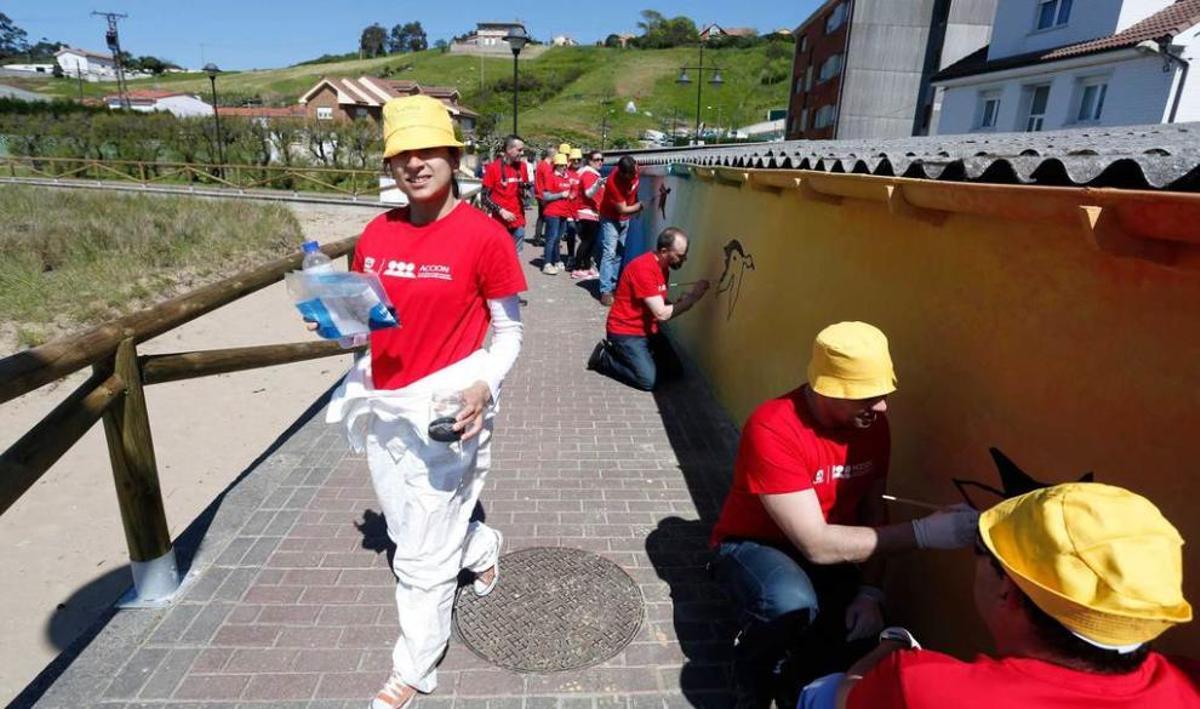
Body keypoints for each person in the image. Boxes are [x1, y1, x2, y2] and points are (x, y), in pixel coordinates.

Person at [321, 95, 528, 709]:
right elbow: (369, 327)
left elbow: (509, 332)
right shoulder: (376, 234)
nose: (414, 164)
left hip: (447, 404)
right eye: (400, 155)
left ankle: (413, 669)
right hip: (382, 399)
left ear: (453, 156)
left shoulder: (485, 236)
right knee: (409, 522)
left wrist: (483, 384)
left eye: (427, 151)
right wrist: (337, 324)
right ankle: (483, 548)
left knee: (418, 552)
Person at [708, 322, 980, 708]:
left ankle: (794, 668)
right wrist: (924, 533)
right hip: (754, 544)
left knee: (857, 639)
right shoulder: (773, 426)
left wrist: (871, 592)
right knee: (790, 602)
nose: (882, 405)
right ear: (825, 389)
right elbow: (816, 545)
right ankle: (749, 680)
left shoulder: (872, 425)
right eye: (867, 396)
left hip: (829, 546)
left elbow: (874, 508)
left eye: (883, 392)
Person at [800, 482, 1199, 708]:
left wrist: (891, 647)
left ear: (1008, 588)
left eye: (981, 549)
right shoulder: (1188, 685)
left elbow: (845, 697)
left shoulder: (923, 688)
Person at [586, 227, 709, 390]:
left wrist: (677, 302)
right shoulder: (644, 268)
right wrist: (693, 298)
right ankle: (604, 358)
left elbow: (658, 301)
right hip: (625, 332)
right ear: (664, 251)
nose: (684, 259)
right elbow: (661, 314)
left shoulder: (663, 267)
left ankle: (639, 357)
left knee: (675, 371)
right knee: (647, 381)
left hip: (648, 330)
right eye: (680, 255)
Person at [597, 155, 644, 307]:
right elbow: (622, 208)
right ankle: (605, 291)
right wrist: (640, 206)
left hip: (625, 219)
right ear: (622, 173)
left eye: (633, 173)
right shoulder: (613, 182)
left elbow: (633, 191)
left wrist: (636, 202)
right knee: (609, 252)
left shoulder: (635, 170)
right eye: (629, 175)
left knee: (619, 252)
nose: (632, 177)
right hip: (611, 217)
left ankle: (613, 285)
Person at [480, 134, 529, 252]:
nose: (522, 153)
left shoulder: (522, 167)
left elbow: (523, 188)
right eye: (519, 150)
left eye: (523, 150)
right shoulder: (493, 168)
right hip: (500, 223)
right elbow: (484, 197)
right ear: (508, 149)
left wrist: (525, 192)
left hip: (518, 221)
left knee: (515, 258)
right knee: (500, 256)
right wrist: (501, 211)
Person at [540, 152, 577, 275]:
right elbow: (545, 196)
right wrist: (561, 195)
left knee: (557, 239)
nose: (564, 167)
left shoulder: (567, 177)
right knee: (551, 238)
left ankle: (556, 260)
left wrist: (571, 196)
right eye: (561, 165)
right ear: (555, 165)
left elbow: (570, 192)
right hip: (552, 212)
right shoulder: (550, 176)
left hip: (564, 212)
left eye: (565, 165)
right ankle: (546, 263)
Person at [571, 149, 604, 280]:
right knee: (587, 242)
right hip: (587, 212)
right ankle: (579, 268)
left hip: (592, 213)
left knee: (590, 242)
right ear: (590, 161)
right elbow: (589, 193)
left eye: (602, 160)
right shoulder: (589, 175)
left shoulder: (592, 174)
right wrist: (598, 184)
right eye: (597, 160)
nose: (600, 162)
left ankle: (586, 267)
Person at [532, 145, 556, 246]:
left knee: (541, 217)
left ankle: (537, 238)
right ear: (552, 155)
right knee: (547, 218)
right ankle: (547, 239)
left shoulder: (541, 165)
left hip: (539, 194)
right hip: (544, 195)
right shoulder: (546, 167)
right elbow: (547, 182)